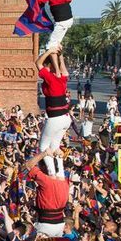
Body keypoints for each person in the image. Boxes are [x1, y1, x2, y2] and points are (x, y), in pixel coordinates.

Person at [36, 49, 71, 178]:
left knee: (43, 147)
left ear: (49, 65)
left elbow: (38, 63)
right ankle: (60, 173)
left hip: (55, 118)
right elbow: (64, 70)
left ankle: (52, 173)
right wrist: (60, 55)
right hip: (65, 118)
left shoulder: (51, 78)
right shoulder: (62, 78)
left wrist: (49, 51)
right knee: (55, 145)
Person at [24, 150, 70, 238]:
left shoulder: (46, 180)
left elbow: (28, 165)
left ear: (44, 166)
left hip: (45, 225)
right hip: (60, 225)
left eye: (40, 166)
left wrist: (44, 153)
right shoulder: (65, 182)